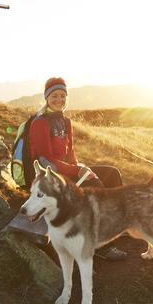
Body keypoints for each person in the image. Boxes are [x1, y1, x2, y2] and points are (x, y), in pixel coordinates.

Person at [27, 77, 127, 260]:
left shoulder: (66, 122)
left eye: (63, 96)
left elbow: (70, 152)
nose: (59, 99)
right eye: (55, 95)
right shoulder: (40, 123)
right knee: (97, 185)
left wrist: (81, 168)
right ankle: (103, 247)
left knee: (112, 174)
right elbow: (46, 160)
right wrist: (77, 172)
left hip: (66, 172)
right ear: (47, 98)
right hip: (50, 177)